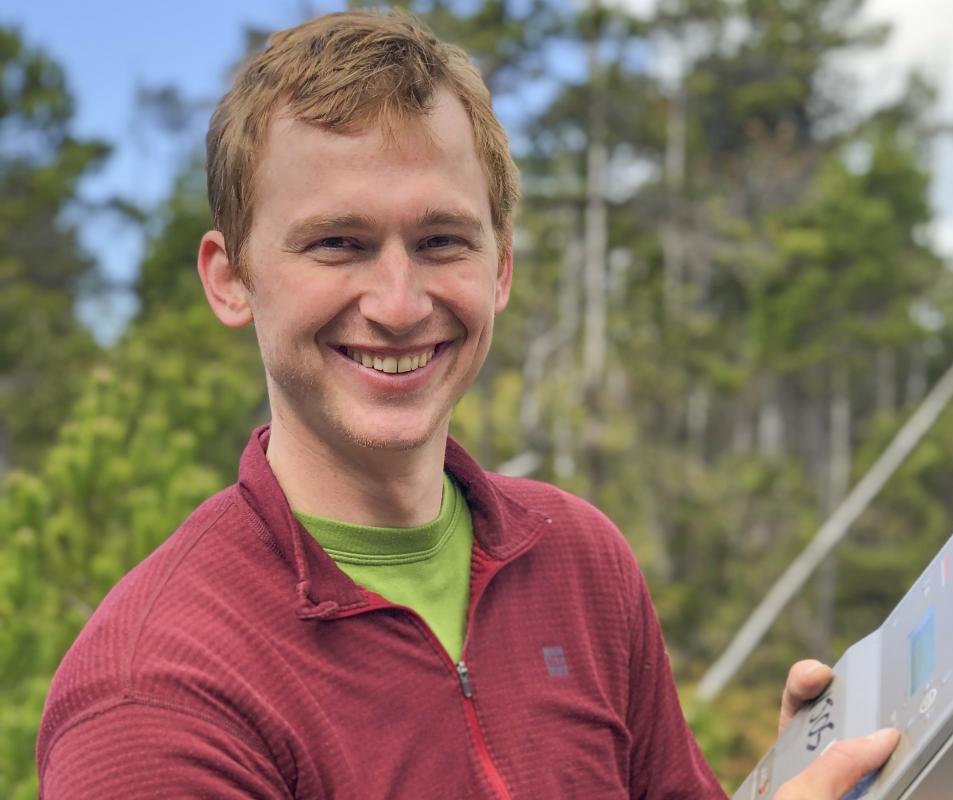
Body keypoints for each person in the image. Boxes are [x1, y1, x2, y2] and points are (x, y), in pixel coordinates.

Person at [36, 10, 897, 798]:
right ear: (231, 279)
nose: (400, 302)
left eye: (442, 241)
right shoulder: (153, 699)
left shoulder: (582, 566)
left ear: (502, 268)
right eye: (339, 244)